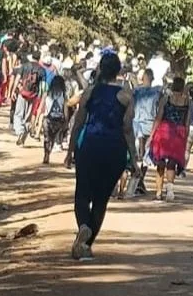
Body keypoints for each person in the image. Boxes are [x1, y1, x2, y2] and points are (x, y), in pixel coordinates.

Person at [68, 53, 139, 260]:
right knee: (101, 200)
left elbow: (78, 123)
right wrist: (133, 159)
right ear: (118, 71)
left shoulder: (90, 92)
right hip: (114, 151)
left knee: (82, 193)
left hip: (89, 146)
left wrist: (70, 151)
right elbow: (127, 130)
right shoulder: (126, 96)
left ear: (100, 68)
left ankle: (83, 227)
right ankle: (86, 247)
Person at [150, 77, 190, 201]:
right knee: (172, 162)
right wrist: (186, 137)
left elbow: (158, 117)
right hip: (178, 132)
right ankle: (170, 190)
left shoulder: (166, 99)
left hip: (164, 131)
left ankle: (158, 192)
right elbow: (187, 122)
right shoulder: (187, 102)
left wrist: (151, 135)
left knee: (160, 161)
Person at [132, 68, 161, 193]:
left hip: (136, 124)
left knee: (137, 154)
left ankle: (137, 180)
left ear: (142, 78)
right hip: (150, 125)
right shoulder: (157, 92)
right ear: (152, 78)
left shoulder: (136, 91)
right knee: (146, 155)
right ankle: (140, 180)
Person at [12, 51, 46, 146]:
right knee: (28, 117)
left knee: (18, 114)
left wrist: (13, 91)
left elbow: (17, 78)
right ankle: (23, 139)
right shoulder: (41, 70)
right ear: (39, 58)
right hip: (34, 95)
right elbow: (43, 86)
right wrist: (41, 97)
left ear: (31, 57)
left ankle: (20, 131)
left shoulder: (24, 66)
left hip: (23, 93)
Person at [40, 76, 68, 164]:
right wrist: (66, 122)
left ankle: (46, 154)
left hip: (47, 119)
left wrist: (36, 121)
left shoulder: (47, 93)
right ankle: (48, 152)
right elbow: (65, 109)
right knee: (52, 138)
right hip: (58, 120)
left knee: (47, 138)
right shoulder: (63, 95)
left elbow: (41, 108)